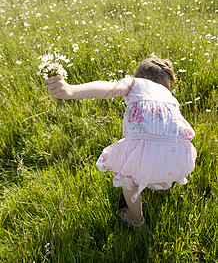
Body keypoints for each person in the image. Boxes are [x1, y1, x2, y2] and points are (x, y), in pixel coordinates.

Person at [44, 55, 197, 228]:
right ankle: (158, 182)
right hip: (178, 158)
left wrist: (70, 91)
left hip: (145, 154)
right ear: (167, 84)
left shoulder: (135, 83)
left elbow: (110, 89)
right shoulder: (170, 98)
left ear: (141, 76)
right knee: (157, 150)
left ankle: (137, 221)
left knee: (128, 178)